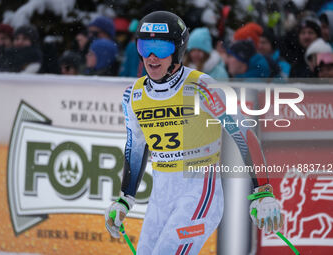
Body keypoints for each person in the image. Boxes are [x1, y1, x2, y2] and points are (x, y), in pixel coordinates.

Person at [105, 11, 283, 254]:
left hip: (199, 195)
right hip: (161, 198)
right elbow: (135, 147)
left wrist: (262, 192)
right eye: (145, 47)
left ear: (177, 51)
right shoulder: (134, 95)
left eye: (161, 48)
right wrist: (125, 198)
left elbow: (244, 134)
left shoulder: (201, 87)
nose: (152, 57)